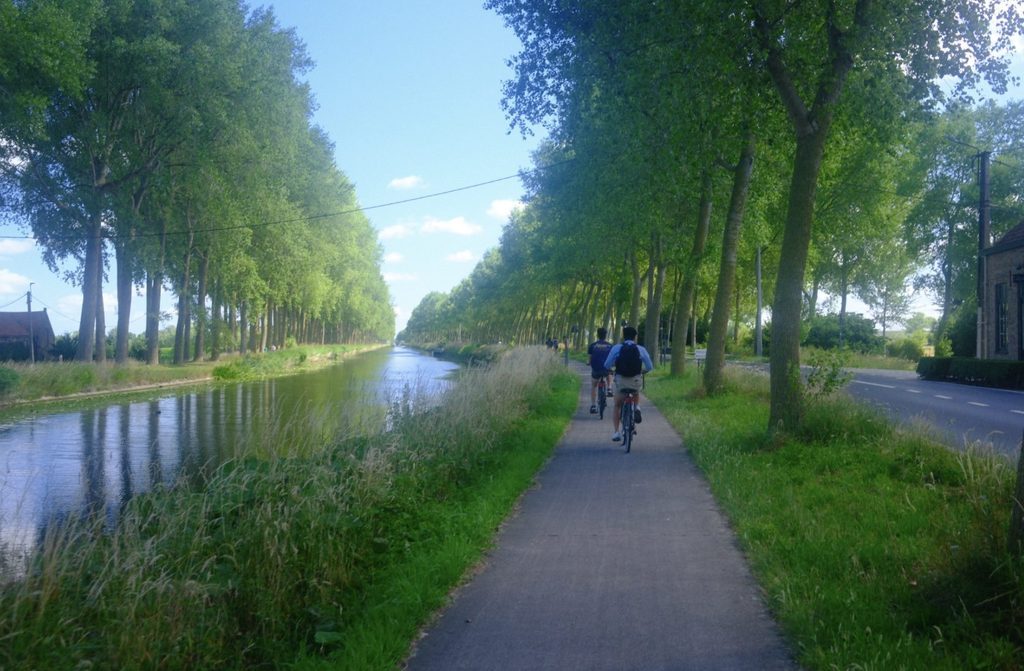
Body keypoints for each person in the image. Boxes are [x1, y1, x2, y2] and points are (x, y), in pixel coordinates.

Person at [603, 325, 654, 442]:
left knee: (617, 405)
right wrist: (642, 371)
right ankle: (636, 408)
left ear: (623, 336)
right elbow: (650, 366)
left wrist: (612, 370)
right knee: (635, 392)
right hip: (635, 380)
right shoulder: (641, 349)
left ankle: (616, 432)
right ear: (635, 337)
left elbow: (606, 365)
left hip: (621, 380)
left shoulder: (617, 348)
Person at [586, 327, 613, 414]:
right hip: (605, 370)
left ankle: (593, 406)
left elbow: (589, 359)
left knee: (594, 386)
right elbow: (612, 359)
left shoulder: (592, 346)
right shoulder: (610, 346)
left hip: (596, 370)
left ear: (597, 335)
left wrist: (588, 363)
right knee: (609, 372)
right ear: (606, 335)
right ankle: (609, 388)